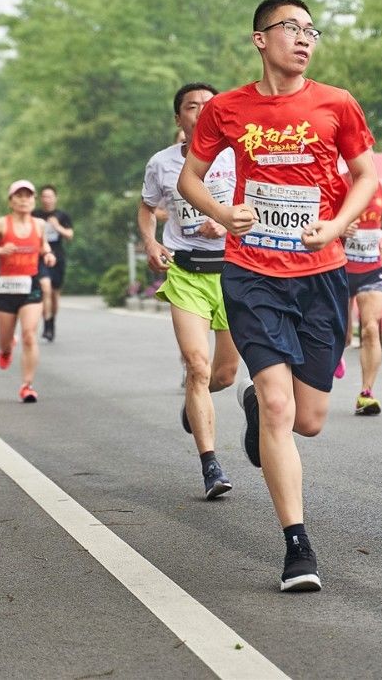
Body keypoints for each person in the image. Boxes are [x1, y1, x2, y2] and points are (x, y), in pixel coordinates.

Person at [178, 0, 377, 593]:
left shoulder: (336, 103)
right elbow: (191, 176)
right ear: (261, 38)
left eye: (311, 30)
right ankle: (298, 546)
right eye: (291, 27)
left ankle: (251, 410)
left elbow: (366, 175)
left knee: (310, 420)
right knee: (279, 405)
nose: (304, 37)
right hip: (252, 271)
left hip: (320, 272)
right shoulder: (227, 109)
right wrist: (223, 212)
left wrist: (338, 225)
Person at [139, 82, 240, 500]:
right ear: (179, 118)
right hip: (186, 273)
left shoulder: (236, 155)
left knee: (223, 375)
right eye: (190, 106)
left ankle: (194, 402)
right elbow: (146, 207)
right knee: (197, 367)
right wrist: (151, 243)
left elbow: (256, 194)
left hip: (234, 272)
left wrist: (227, 219)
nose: (200, 111)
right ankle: (211, 465)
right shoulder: (161, 163)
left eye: (208, 105)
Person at [0, 180, 56, 403]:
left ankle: (27, 386)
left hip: (30, 286)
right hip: (5, 288)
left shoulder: (40, 225)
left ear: (34, 200)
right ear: (11, 201)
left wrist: (48, 255)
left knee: (29, 335)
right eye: (19, 196)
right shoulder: (1, 224)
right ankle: (6, 348)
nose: (24, 199)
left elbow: (44, 246)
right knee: (4, 341)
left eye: (28, 196)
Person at [340, 170, 382, 415]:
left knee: (370, 328)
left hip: (372, 267)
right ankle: (335, 353)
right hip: (340, 267)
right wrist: (340, 227)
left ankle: (367, 392)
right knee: (342, 336)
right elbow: (321, 219)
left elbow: (381, 220)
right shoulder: (336, 181)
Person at [33, 185, 73, 342]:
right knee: (45, 288)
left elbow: (70, 235)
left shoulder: (62, 215)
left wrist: (57, 226)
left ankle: (51, 324)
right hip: (40, 257)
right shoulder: (34, 215)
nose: (47, 199)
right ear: (40, 198)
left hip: (58, 258)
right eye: (44, 196)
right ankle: (47, 325)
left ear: (55, 198)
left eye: (50, 196)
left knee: (55, 295)